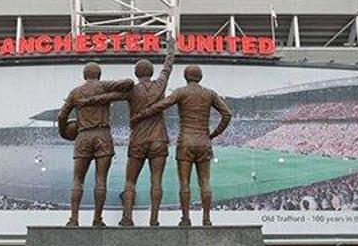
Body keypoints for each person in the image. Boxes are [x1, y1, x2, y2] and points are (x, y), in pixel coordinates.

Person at [77, 39, 175, 226]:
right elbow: (168, 67)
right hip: (158, 139)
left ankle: (127, 217)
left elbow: (110, 97)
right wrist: (171, 49)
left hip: (138, 139)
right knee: (156, 181)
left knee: (130, 181)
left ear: (136, 74)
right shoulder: (160, 85)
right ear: (151, 73)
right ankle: (154, 220)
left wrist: (88, 100)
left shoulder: (132, 90)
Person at [131, 65, 232, 226]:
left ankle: (186, 219)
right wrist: (214, 134)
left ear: (186, 77)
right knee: (205, 182)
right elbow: (227, 114)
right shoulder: (209, 93)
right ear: (200, 77)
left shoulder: (180, 92)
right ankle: (206, 219)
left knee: (184, 183)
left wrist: (141, 115)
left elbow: (161, 105)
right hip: (203, 141)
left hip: (185, 142)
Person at [57, 63, 133, 227]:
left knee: (78, 180)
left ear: (85, 76)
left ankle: (74, 219)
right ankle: (97, 219)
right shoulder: (103, 86)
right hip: (102, 136)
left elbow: (62, 116)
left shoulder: (75, 92)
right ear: (98, 75)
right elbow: (128, 83)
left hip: (83, 136)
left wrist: (64, 132)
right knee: (101, 180)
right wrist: (108, 94)